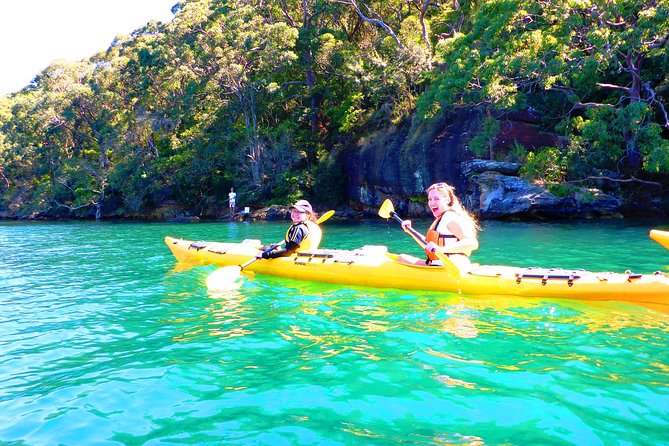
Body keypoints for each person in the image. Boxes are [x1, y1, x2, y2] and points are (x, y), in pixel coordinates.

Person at [400, 182, 479, 269]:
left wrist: (441, 249)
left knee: (401, 259)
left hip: (451, 268)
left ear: (447, 200)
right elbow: (428, 245)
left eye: (436, 199)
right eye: (430, 199)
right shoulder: (442, 218)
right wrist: (411, 231)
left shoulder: (450, 217)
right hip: (438, 265)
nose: (432, 203)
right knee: (402, 258)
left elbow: (472, 243)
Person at [256, 200, 322, 259]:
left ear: (308, 214)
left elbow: (288, 252)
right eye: (294, 211)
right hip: (308, 256)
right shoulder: (313, 225)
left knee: (266, 248)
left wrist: (267, 254)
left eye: (299, 212)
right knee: (272, 246)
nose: (295, 214)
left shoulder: (298, 228)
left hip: (297, 258)